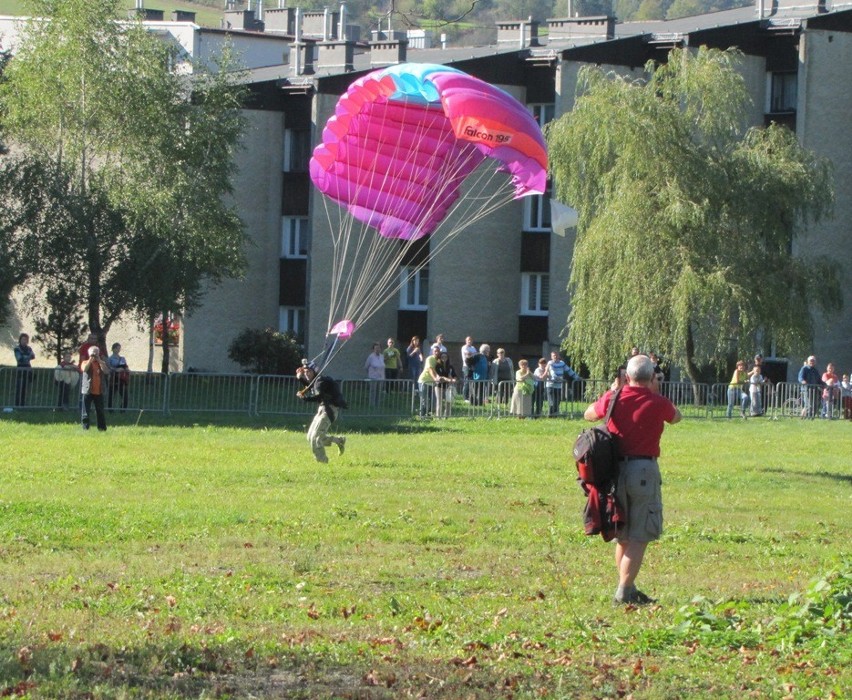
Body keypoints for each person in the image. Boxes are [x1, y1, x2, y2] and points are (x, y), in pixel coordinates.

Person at [583, 354, 682, 605]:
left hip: (614, 472)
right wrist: (655, 390)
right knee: (640, 536)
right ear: (651, 377)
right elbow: (677, 417)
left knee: (623, 534)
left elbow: (589, 414)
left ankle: (629, 588)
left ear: (627, 377)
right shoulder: (658, 401)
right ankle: (623, 592)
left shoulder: (614, 397)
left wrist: (613, 391)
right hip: (644, 471)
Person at [296, 363, 347, 462]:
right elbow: (311, 387)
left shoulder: (320, 381)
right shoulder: (316, 381)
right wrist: (300, 378)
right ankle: (339, 440)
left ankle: (322, 461)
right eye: (305, 372)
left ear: (314, 372)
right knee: (310, 436)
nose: (306, 374)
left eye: (309, 372)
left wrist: (305, 398)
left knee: (315, 437)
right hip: (322, 409)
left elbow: (318, 395)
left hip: (329, 410)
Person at [81, 346, 109, 431]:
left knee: (100, 411)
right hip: (88, 390)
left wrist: (99, 360)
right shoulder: (85, 362)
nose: (95, 354)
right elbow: (85, 369)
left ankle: (102, 429)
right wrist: (90, 360)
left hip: (99, 391)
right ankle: (85, 428)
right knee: (86, 412)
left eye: (97, 352)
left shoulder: (101, 363)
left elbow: (106, 371)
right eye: (93, 352)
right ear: (89, 353)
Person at [545, 350, 580, 417]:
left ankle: (554, 415)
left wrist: (577, 377)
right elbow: (552, 373)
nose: (555, 357)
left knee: (558, 401)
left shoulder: (562, 363)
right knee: (552, 401)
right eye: (553, 356)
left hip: (558, 385)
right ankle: (550, 414)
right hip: (550, 385)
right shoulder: (550, 363)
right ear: (551, 357)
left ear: (558, 356)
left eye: (556, 355)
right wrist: (559, 379)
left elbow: (569, 370)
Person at [418, 345, 446, 417]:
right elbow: (430, 369)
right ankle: (422, 416)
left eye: (438, 351)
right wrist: (435, 379)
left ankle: (428, 415)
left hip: (432, 383)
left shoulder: (438, 360)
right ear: (432, 352)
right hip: (424, 381)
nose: (436, 352)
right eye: (435, 351)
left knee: (431, 400)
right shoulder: (430, 358)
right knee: (424, 400)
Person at [13, 333, 36, 407]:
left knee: (25, 389)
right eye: (23, 339)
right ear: (20, 340)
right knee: (19, 388)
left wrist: (25, 356)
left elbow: (33, 356)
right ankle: (17, 405)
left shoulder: (29, 348)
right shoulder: (17, 348)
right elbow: (19, 358)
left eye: (26, 339)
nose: (24, 341)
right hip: (20, 370)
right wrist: (27, 356)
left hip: (28, 370)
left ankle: (22, 405)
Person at [107, 342, 130, 411]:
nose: (118, 350)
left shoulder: (122, 358)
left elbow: (125, 366)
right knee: (111, 395)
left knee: (125, 396)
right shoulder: (110, 358)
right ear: (113, 349)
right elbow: (109, 367)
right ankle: (110, 409)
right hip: (114, 378)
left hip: (122, 379)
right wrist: (116, 369)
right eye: (117, 348)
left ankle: (123, 409)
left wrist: (127, 369)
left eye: (119, 348)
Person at [435, 351, 458, 417]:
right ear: (440, 358)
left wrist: (454, 379)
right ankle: (438, 417)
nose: (444, 358)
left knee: (448, 401)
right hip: (439, 386)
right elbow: (439, 376)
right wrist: (449, 379)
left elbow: (455, 375)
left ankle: (446, 416)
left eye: (445, 357)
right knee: (439, 402)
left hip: (448, 386)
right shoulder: (438, 366)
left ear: (448, 358)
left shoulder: (450, 367)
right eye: (442, 357)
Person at [364, 342, 385, 407]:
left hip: (381, 377)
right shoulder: (371, 357)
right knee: (373, 391)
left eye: (379, 348)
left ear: (381, 349)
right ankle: (372, 405)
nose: (377, 349)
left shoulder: (382, 356)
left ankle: (377, 405)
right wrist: (371, 374)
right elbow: (366, 367)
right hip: (373, 377)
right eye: (376, 348)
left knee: (379, 391)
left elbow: (382, 366)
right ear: (373, 349)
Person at [460, 336, 477, 401]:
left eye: (470, 340)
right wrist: (472, 354)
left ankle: (470, 396)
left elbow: (475, 355)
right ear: (466, 341)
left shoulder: (473, 347)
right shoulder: (464, 347)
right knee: (466, 382)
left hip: (472, 366)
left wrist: (472, 354)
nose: (469, 341)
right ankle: (465, 397)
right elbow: (468, 354)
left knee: (471, 382)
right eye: (468, 340)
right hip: (466, 366)